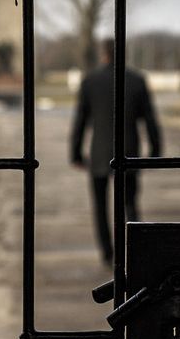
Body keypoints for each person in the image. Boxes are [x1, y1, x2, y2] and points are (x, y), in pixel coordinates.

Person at [70, 38, 163, 266]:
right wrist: (155, 151)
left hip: (99, 152)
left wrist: (75, 153)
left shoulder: (90, 81)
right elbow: (150, 119)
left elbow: (80, 120)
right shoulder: (136, 81)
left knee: (100, 206)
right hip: (128, 151)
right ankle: (134, 250)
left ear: (104, 54)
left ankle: (107, 252)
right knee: (130, 204)